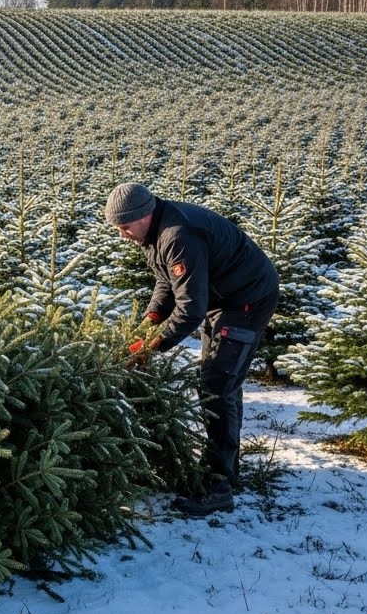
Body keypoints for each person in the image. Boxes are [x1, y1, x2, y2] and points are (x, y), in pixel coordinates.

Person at [104, 182, 279, 517]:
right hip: (223, 298)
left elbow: (190, 309)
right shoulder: (153, 232)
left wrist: (152, 345)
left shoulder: (178, 234)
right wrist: (151, 318)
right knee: (219, 381)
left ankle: (218, 486)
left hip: (247, 299)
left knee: (217, 385)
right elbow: (166, 281)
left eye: (124, 227)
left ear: (144, 215)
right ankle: (226, 469)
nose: (122, 235)